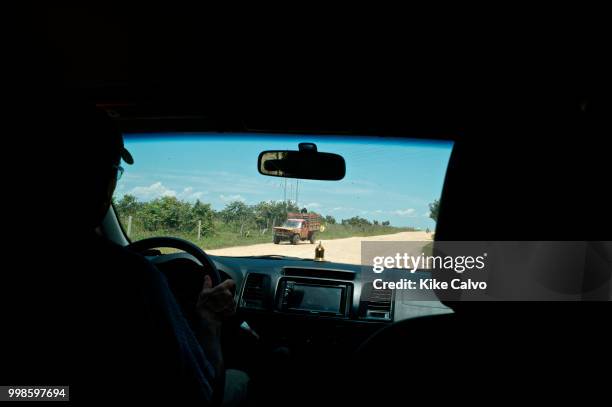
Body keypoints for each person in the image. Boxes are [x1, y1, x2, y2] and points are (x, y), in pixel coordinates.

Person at [31, 103, 247, 404]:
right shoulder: (131, 278)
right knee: (241, 380)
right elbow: (200, 394)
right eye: (113, 172)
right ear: (103, 183)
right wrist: (209, 321)